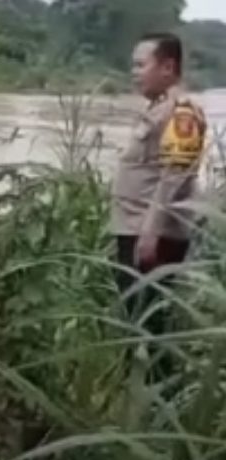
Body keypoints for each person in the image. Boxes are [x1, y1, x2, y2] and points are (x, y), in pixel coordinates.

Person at [111, 32, 208, 380]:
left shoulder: (182, 113)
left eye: (141, 65)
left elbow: (174, 176)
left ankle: (161, 404)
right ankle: (137, 395)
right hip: (134, 228)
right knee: (135, 318)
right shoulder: (159, 109)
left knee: (151, 325)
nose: (134, 72)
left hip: (152, 234)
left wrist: (150, 232)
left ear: (168, 67)